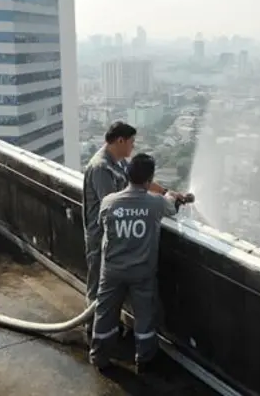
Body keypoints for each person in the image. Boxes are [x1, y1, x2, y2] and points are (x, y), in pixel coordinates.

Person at [82, 121, 182, 337]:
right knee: (98, 287)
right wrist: (155, 204)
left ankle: (107, 331)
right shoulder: (101, 168)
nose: (132, 147)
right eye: (131, 142)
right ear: (120, 140)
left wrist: (168, 192)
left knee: (109, 289)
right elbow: (114, 205)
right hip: (103, 240)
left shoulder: (118, 163)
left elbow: (141, 183)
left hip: (118, 240)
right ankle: (92, 329)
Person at [89, 153, 183, 374]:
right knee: (145, 317)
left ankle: (100, 357)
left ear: (127, 175)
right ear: (149, 180)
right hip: (142, 272)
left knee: (105, 314)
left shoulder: (109, 202)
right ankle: (144, 359)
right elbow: (171, 206)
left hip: (111, 271)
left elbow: (102, 228)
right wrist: (174, 196)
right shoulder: (155, 203)